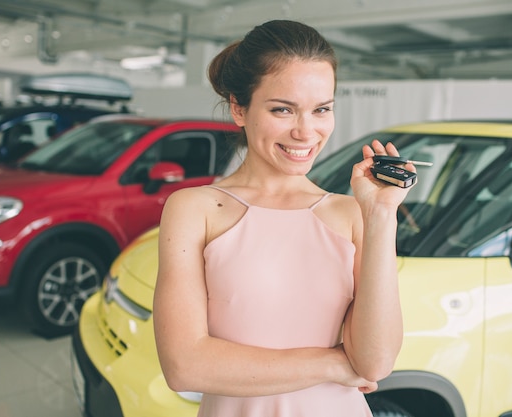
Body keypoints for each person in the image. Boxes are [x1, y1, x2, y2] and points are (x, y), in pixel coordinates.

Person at [153, 19, 414, 417]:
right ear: (239, 109)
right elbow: (184, 365)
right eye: (282, 110)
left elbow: (376, 363)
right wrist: (331, 364)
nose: (306, 132)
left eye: (321, 109)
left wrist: (381, 216)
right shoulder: (195, 208)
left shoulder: (353, 213)